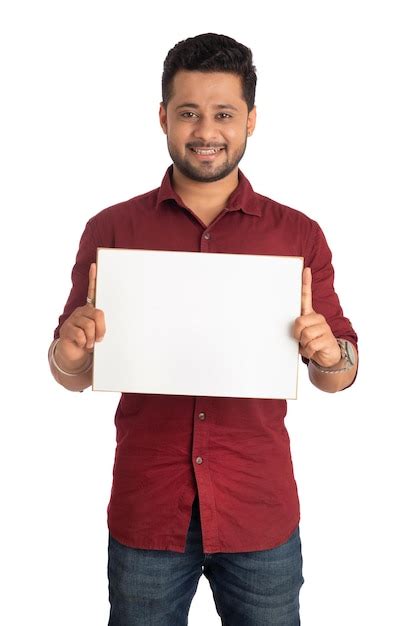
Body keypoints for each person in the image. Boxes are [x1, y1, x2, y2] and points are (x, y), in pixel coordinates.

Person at [48, 33, 358, 626]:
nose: (205, 130)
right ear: (164, 117)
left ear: (251, 120)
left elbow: (339, 376)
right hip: (149, 511)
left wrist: (328, 353)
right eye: (188, 112)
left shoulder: (298, 235)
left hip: (258, 511)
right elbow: (73, 374)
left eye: (224, 114)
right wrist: (68, 353)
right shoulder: (111, 230)